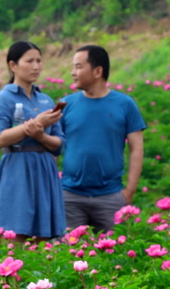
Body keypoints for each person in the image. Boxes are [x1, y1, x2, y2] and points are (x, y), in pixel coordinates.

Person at [59, 44, 145, 232]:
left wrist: (129, 191)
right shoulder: (66, 104)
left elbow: (136, 149)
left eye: (79, 67)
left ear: (98, 71)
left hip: (111, 196)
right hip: (70, 197)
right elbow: (52, 147)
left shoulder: (125, 104)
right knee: (68, 254)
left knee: (114, 255)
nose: (73, 73)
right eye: (73, 67)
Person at [0, 41, 65, 239]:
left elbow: (60, 144)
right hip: (17, 167)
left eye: (39, 61)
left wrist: (41, 136)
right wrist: (34, 125)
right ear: (13, 65)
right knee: (16, 232)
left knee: (43, 235)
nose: (36, 66)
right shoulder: (3, 99)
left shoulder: (45, 100)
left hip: (44, 168)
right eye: (29, 61)